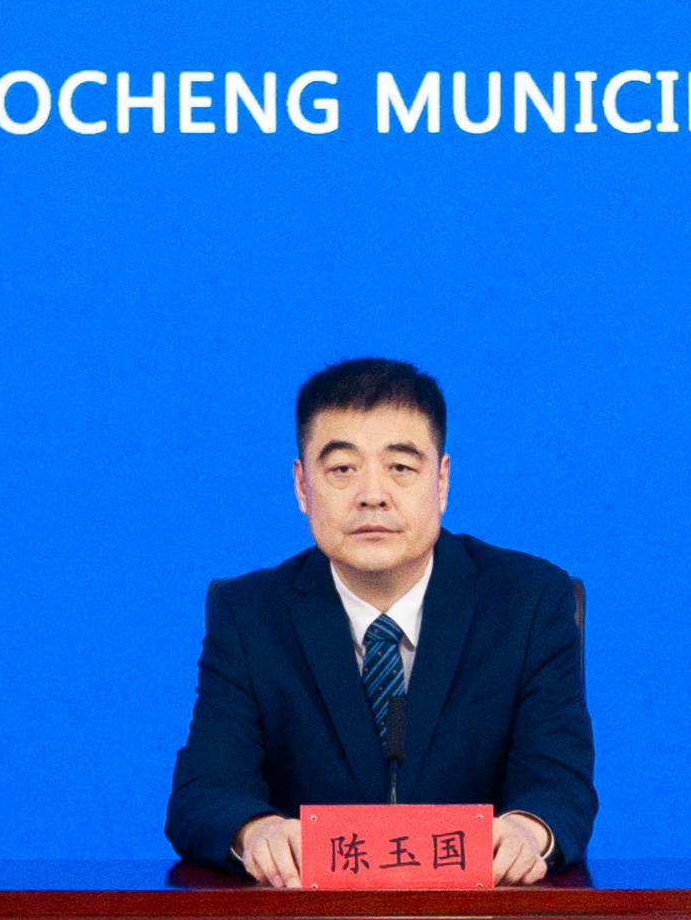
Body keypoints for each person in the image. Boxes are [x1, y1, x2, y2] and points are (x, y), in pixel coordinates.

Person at [167, 358, 594, 887]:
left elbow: (560, 782)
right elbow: (203, 793)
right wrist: (256, 831)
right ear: (302, 485)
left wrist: (529, 830)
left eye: (401, 467)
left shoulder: (527, 602)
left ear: (442, 481)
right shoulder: (250, 613)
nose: (373, 494)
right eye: (342, 469)